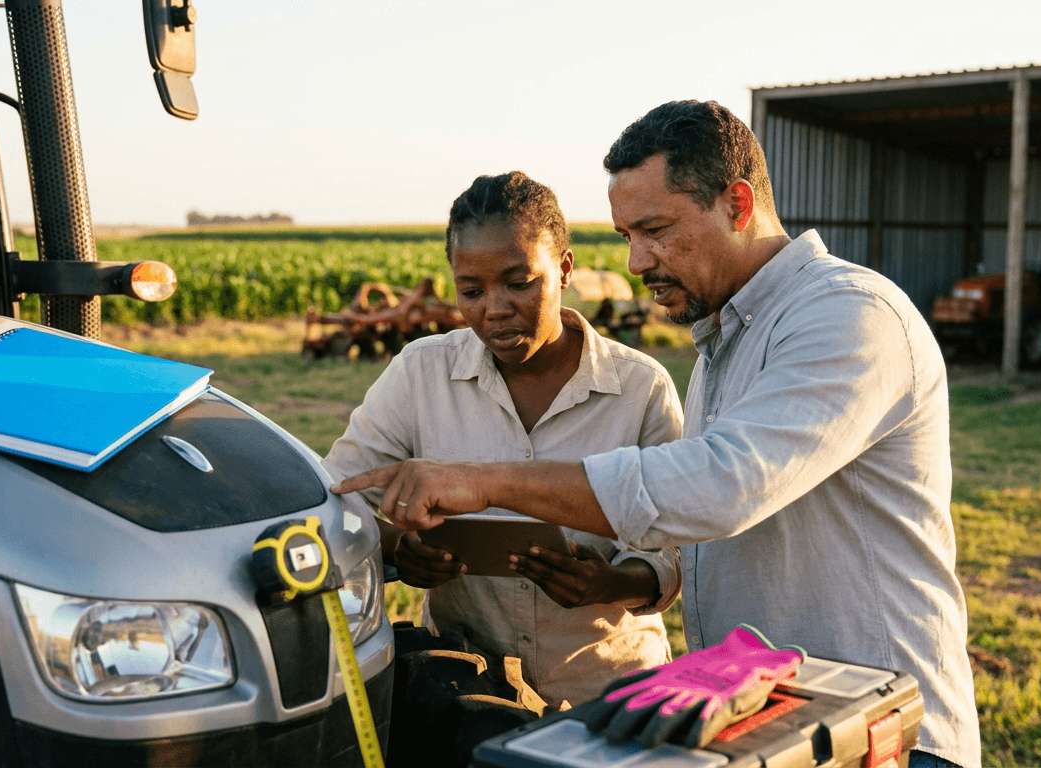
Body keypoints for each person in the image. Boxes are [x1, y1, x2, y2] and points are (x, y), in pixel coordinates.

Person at [334, 102, 981, 768]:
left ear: (737, 204)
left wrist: (482, 483)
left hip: (888, 734)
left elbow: (720, 487)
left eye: (655, 230)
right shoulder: (724, 345)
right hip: (782, 722)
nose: (637, 261)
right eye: (627, 235)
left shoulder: (847, 313)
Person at [323, 170, 684, 708]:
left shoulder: (640, 388)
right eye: (471, 291)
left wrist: (608, 584)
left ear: (564, 269)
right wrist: (400, 550)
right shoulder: (421, 373)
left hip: (607, 691)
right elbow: (336, 496)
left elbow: (676, 549)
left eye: (519, 283)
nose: (494, 308)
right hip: (468, 692)